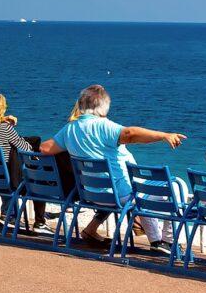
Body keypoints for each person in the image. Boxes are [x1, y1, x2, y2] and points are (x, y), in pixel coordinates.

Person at [40, 84, 184, 249]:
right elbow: (130, 134)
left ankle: (157, 241)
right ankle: (168, 240)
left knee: (139, 191)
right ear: (103, 108)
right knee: (175, 185)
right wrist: (164, 135)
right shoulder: (103, 125)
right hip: (120, 193)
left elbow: (44, 148)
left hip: (91, 193)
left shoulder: (70, 129)